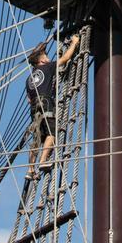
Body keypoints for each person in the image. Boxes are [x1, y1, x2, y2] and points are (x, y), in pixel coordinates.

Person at [26, 35, 80, 177]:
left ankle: (30, 169)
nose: (49, 58)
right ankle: (43, 161)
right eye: (47, 56)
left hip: (34, 108)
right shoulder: (48, 67)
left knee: (37, 138)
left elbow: (29, 100)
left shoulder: (29, 78)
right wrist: (74, 43)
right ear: (42, 60)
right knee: (52, 133)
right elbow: (65, 58)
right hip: (46, 103)